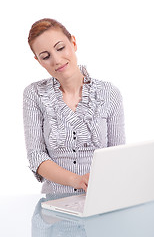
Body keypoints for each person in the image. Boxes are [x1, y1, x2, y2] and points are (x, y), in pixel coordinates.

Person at [23, 18, 125, 195]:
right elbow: (36, 156)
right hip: (55, 203)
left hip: (102, 198)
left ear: (73, 43)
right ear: (38, 60)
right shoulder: (34, 94)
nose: (56, 60)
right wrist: (77, 181)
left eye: (60, 48)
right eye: (45, 56)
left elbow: (118, 155)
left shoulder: (109, 93)